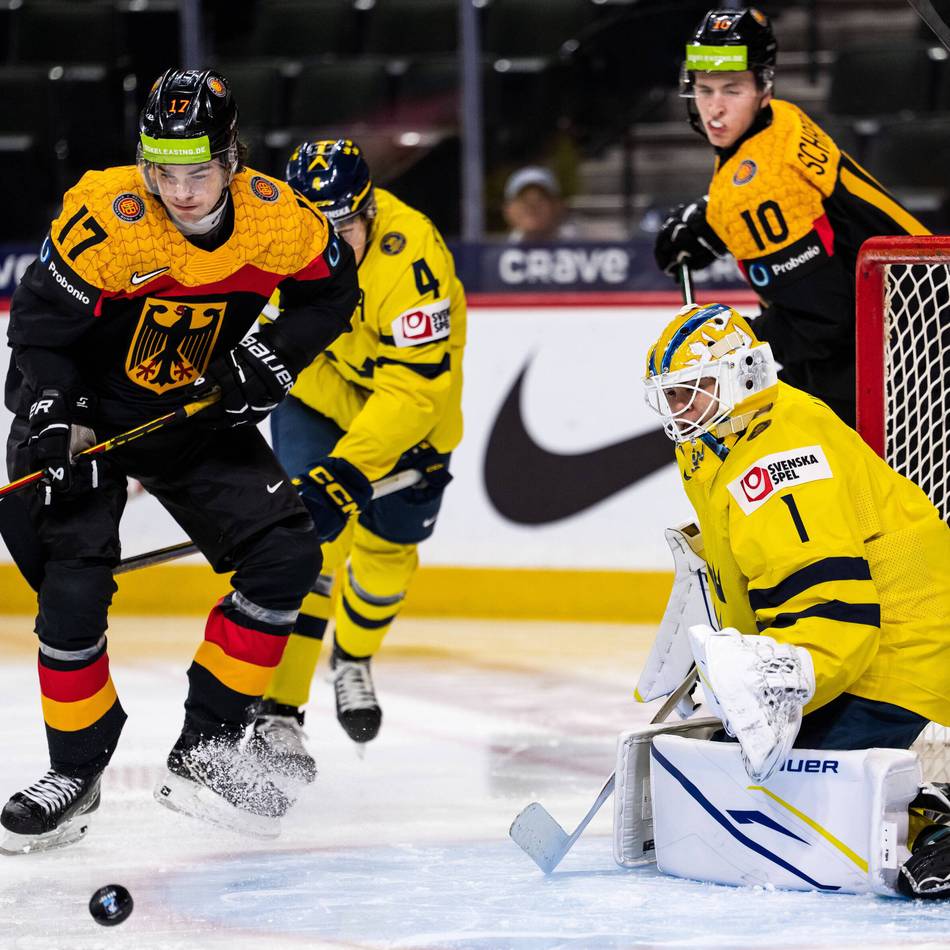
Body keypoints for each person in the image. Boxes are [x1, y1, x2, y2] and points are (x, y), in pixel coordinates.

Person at [0, 68, 359, 851]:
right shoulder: (106, 213)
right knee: (70, 585)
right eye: (164, 172)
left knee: (286, 552)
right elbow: (36, 327)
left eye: (198, 171)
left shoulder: (281, 222)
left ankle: (207, 748)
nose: (182, 192)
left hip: (194, 411)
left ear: (232, 158)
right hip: (84, 413)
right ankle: (75, 771)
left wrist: (275, 354)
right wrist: (55, 415)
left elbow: (332, 294)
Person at [642, 301, 950, 896]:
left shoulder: (779, 457)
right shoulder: (721, 436)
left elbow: (838, 612)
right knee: (749, 770)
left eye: (692, 391)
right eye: (670, 395)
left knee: (786, 789)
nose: (678, 411)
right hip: (873, 638)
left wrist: (791, 684)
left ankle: (932, 818)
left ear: (743, 374)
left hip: (896, 647)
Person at [245, 139, 465, 776]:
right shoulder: (271, 243)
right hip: (316, 395)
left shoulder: (410, 254)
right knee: (303, 548)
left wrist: (348, 469)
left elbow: (415, 389)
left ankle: (354, 658)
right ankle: (280, 713)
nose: (330, 246)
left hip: (410, 414)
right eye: (315, 230)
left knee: (387, 559)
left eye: (343, 227)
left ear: (369, 212)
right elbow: (240, 340)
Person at [652, 7, 930, 427]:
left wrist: (732, 344)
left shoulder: (759, 188)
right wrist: (714, 219)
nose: (715, 110)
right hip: (915, 324)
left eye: (732, 90)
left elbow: (819, 324)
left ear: (763, 86)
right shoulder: (779, 119)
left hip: (902, 366)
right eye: (704, 89)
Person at [502, 166, 578, 243]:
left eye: (541, 198)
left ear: (558, 206)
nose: (532, 205)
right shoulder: (495, 253)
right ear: (508, 209)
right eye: (523, 199)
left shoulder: (581, 251)